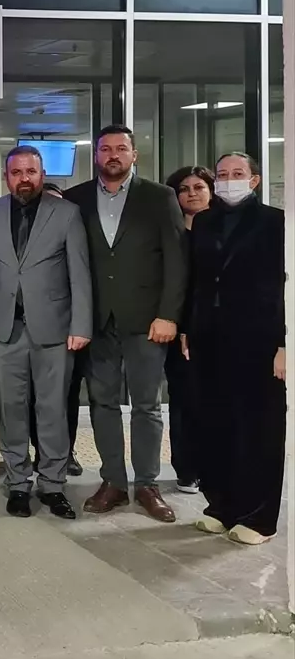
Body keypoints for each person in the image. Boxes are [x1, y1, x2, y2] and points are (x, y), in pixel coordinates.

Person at [64, 124, 186, 523]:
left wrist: (169, 314)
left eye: (121, 148)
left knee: (147, 405)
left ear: (134, 155)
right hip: (97, 321)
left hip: (147, 320)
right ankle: (113, 481)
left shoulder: (159, 197)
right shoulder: (76, 199)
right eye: (105, 149)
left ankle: (147, 484)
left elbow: (176, 260)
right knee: (102, 403)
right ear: (96, 155)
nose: (112, 155)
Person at [0, 146, 91, 520]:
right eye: (16, 172)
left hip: (55, 330)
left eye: (31, 171)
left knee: (52, 410)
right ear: (6, 176)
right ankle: (17, 483)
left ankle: (53, 485)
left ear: (42, 175)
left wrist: (81, 325)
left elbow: (80, 274)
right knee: (11, 411)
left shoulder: (67, 213)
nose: (24, 178)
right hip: (4, 330)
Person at [187, 153, 286, 546]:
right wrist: (188, 327)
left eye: (238, 173)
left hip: (259, 340)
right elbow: (197, 279)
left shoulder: (276, 222)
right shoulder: (204, 221)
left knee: (259, 428)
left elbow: (284, 286)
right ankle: (222, 506)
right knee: (215, 423)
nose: (229, 179)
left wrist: (284, 343)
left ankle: (259, 517)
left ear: (255, 180)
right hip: (210, 337)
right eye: (223, 174)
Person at [163, 164, 215, 494]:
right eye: (184, 189)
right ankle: (187, 468)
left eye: (199, 187)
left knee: (216, 400)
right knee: (183, 401)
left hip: (217, 328)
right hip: (176, 330)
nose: (191, 194)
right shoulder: (169, 231)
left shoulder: (223, 229)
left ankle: (216, 466)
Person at [30, 176, 85, 475]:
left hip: (67, 329)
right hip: (28, 329)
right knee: (31, 398)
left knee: (66, 396)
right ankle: (40, 452)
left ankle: (65, 453)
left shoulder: (73, 231)